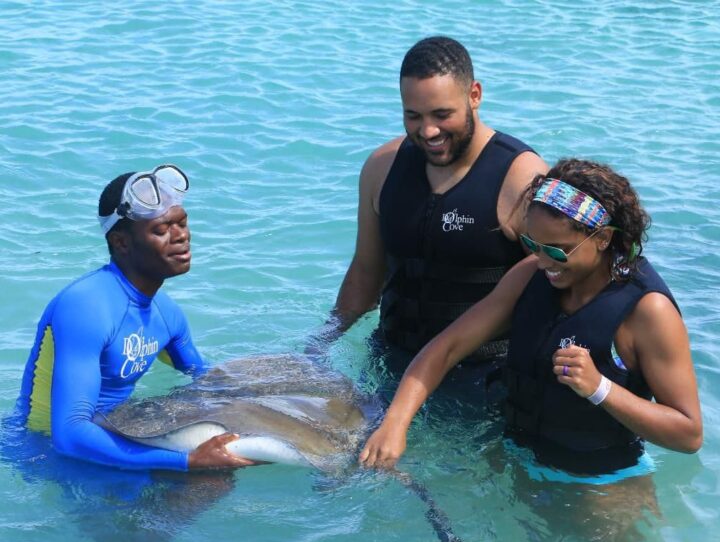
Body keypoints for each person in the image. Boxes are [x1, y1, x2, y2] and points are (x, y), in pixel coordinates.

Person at [359, 158, 703, 477]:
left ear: (602, 239)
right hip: (516, 462)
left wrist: (600, 388)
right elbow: (446, 348)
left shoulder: (647, 311)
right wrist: (395, 424)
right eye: (533, 243)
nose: (542, 260)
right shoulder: (529, 275)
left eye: (557, 249)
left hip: (598, 482)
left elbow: (688, 434)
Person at [310, 36, 547, 365]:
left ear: (474, 95)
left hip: (485, 375)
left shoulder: (520, 177)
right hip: (391, 361)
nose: (428, 131)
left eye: (441, 114)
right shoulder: (382, 168)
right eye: (414, 116)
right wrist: (317, 347)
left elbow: (560, 282)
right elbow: (365, 274)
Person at [14, 164, 258, 471]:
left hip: (113, 433)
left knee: (220, 471)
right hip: (47, 454)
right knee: (207, 477)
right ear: (121, 242)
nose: (181, 236)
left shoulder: (166, 313)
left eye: (182, 223)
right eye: (162, 229)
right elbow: (70, 433)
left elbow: (208, 381)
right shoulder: (86, 305)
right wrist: (188, 461)